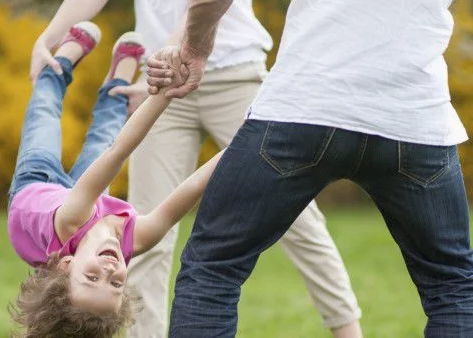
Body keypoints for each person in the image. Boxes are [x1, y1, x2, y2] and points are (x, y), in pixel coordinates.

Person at [29, 2, 363, 337]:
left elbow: (200, 6)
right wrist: (47, 38)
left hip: (233, 74)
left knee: (299, 220)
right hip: (161, 80)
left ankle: (347, 330)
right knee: (138, 239)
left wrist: (169, 61)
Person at [146, 0, 473, 337]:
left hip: (304, 108)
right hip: (415, 120)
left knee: (213, 267)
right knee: (452, 287)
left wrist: (195, 47)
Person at [7, 21, 219, 338]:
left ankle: (59, 64)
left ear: (65, 266)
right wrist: (245, 138)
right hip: (89, 202)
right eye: (117, 283)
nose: (108, 271)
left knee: (45, 116)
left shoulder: (72, 221)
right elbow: (192, 187)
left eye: (91, 278)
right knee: (103, 139)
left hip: (34, 186)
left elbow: (121, 152)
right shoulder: (139, 238)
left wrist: (164, 94)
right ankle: (118, 84)